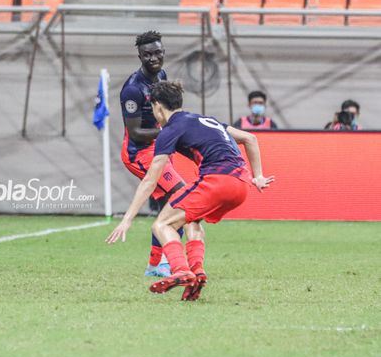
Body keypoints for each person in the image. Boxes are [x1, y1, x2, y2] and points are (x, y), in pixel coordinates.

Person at [107, 81, 274, 302]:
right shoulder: (206, 119)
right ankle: (197, 271)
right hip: (242, 185)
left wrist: (127, 219)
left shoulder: (170, 129)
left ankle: (180, 270)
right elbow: (249, 138)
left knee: (161, 224)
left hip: (218, 181)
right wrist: (258, 176)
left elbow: (150, 180)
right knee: (191, 220)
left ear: (158, 107)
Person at [120, 31, 201, 278]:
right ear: (140, 56)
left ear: (163, 52)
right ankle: (166, 261)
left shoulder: (161, 77)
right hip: (139, 153)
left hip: (159, 146)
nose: (153, 58)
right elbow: (134, 132)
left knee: (171, 204)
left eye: (157, 52)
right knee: (180, 196)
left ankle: (156, 265)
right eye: (147, 54)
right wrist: (169, 133)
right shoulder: (132, 90)